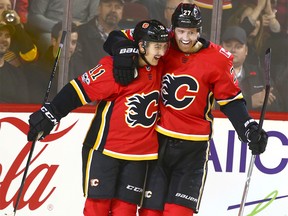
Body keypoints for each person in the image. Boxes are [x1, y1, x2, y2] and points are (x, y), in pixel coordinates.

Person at [103, 3, 268, 216]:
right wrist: (124, 54)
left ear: (200, 31)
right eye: (181, 31)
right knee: (149, 213)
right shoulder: (161, 42)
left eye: (191, 32)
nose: (186, 38)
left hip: (193, 150)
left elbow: (232, 101)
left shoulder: (218, 58)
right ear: (173, 29)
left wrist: (247, 128)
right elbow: (115, 37)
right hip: (156, 144)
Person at [26, 19, 170, 216]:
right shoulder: (115, 69)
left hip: (139, 155)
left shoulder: (162, 66)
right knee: (97, 209)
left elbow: (185, 39)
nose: (162, 52)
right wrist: (52, 114)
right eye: (157, 47)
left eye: (164, 46)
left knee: (125, 211)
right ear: (141, 45)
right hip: (105, 151)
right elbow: (78, 90)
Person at [221, 25, 282, 111]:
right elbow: (204, 104)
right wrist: (250, 102)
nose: (233, 50)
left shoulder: (261, 75)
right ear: (220, 49)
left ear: (246, 51)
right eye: (228, 45)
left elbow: (279, 106)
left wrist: (265, 102)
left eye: (238, 46)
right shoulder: (210, 74)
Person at [26, 21, 81, 103]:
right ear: (53, 41)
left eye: (73, 42)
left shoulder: (81, 68)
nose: (69, 47)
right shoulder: (36, 70)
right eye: (65, 42)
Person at [26, 0, 99, 54]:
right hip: (50, 30)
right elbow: (34, 17)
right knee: (52, 41)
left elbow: (95, 20)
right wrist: (61, 28)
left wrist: (78, 28)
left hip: (78, 32)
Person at [75, 0, 124, 72]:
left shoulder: (125, 38)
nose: (113, 10)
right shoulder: (80, 34)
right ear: (99, 9)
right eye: (109, 5)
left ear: (122, 13)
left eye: (118, 7)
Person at [0, 0, 38, 68]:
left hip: (12, 73)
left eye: (9, 8)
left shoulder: (15, 31)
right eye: (0, 7)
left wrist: (18, 25)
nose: (6, 11)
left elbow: (31, 57)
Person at [0, 21, 29, 103]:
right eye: (0, 35)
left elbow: (22, 110)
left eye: (7, 36)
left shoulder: (17, 74)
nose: (3, 40)